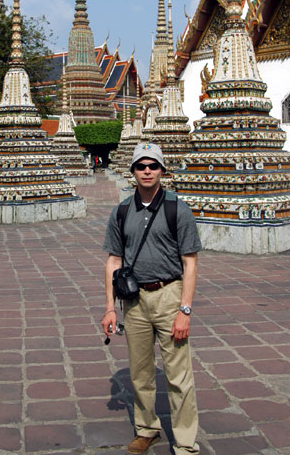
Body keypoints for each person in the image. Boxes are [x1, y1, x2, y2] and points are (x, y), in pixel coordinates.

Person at [102, 142, 201, 455]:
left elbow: (190, 263)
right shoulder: (121, 212)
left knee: (178, 374)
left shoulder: (177, 209)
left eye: (153, 166)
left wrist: (185, 310)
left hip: (169, 294)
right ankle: (147, 429)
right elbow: (113, 261)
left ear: (162, 170)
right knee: (140, 371)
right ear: (133, 171)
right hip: (134, 300)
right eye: (141, 166)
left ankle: (185, 442)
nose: (147, 171)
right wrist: (109, 308)